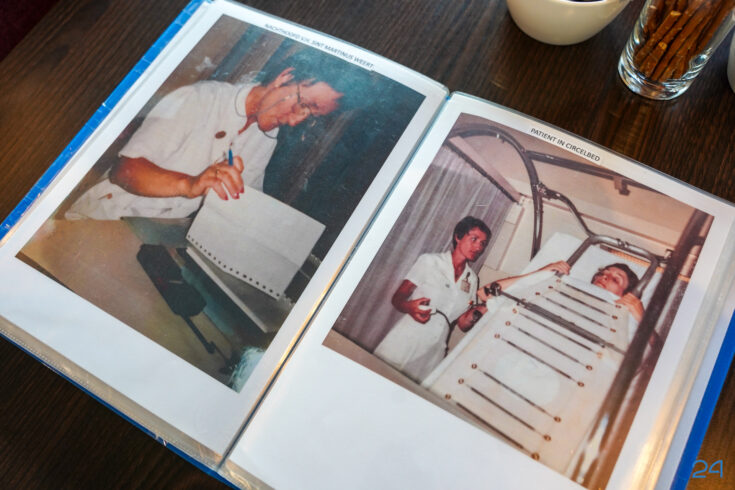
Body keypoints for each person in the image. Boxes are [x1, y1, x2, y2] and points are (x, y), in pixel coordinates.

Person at [66, 66, 343, 220]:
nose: (295, 121)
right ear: (284, 78)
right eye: (303, 105)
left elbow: (242, 203)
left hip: (159, 232)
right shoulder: (199, 98)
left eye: (310, 117)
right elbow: (124, 171)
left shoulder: (266, 137)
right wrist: (189, 185)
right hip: (106, 217)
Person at [373, 216, 490, 383]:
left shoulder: (472, 279)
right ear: (458, 236)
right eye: (474, 239)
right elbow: (397, 298)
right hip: (406, 340)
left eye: (483, 243)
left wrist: (486, 307)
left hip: (434, 352)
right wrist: (409, 307)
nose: (478, 247)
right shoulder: (430, 261)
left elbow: (463, 324)